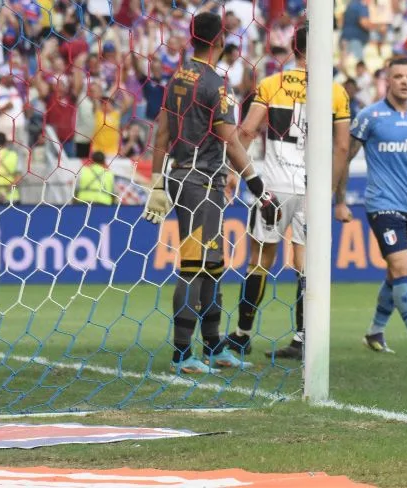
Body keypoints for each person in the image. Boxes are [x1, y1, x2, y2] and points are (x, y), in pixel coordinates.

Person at [142, 12, 280, 374]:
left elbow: (161, 133)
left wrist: (157, 181)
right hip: (200, 181)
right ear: (219, 41)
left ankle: (214, 345)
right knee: (194, 268)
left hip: (188, 177)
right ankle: (182, 353)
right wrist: (258, 187)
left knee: (212, 266)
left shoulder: (178, 77)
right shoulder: (215, 84)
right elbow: (230, 141)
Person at [224, 26, 351, 361]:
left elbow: (247, 130)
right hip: (313, 188)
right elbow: (342, 147)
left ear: (293, 49)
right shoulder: (335, 92)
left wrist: (233, 172)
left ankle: (242, 335)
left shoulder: (272, 84)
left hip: (274, 187)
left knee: (259, 261)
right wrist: (329, 190)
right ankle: (302, 338)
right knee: (305, 264)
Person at [337, 57, 407, 356]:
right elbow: (344, 159)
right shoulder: (369, 116)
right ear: (387, 80)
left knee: (397, 272)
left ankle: (374, 331)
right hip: (381, 204)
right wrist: (340, 200)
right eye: (398, 76)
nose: (405, 81)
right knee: (402, 266)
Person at [0, 132, 22, 205]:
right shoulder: (14, 155)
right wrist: (5, 193)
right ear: (5, 142)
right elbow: (18, 177)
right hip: (12, 197)